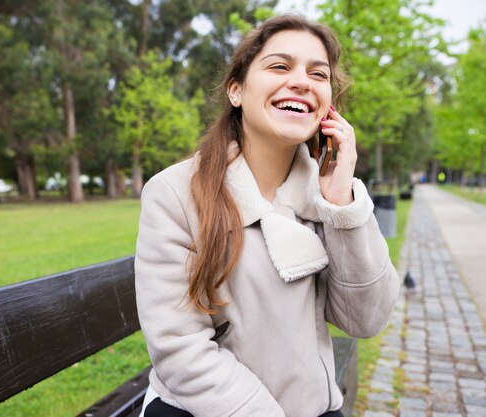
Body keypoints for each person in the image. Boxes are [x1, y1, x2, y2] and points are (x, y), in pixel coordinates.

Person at [134, 14, 399, 417]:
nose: (301, 81)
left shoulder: (327, 197)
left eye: (318, 73)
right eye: (279, 66)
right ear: (236, 91)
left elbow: (365, 320)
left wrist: (342, 205)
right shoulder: (175, 192)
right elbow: (180, 349)